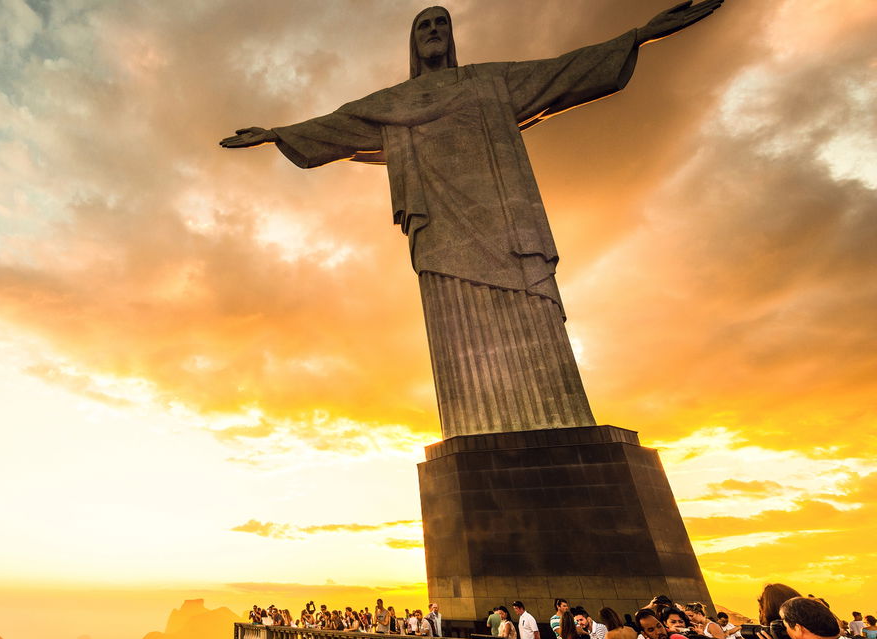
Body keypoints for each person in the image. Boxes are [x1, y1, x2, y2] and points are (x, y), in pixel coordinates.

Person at [219, 1, 725, 439]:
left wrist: (642, 34)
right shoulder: (391, 103)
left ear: (452, 35)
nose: (435, 30)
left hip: (506, 226)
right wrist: (274, 133)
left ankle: (560, 419)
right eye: (424, 26)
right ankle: (477, 427)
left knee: (534, 312)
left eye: (442, 23)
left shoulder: (491, 81)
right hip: (441, 233)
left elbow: (565, 69)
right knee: (458, 329)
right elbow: (335, 124)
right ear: (414, 42)